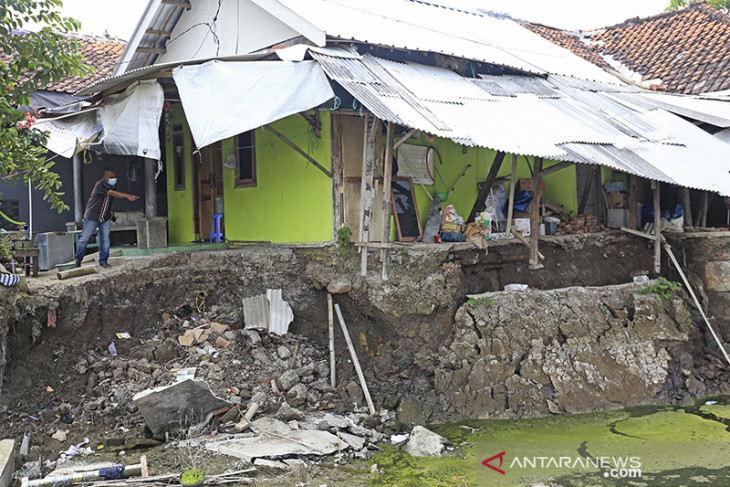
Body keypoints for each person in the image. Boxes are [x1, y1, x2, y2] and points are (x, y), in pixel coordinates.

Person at [75, 167, 139, 268]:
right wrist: (127, 196)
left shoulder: (113, 185)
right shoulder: (100, 184)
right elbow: (111, 193)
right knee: (84, 239)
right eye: (111, 177)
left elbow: (110, 199)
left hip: (105, 218)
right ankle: (78, 260)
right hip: (92, 216)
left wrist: (112, 212)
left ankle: (103, 261)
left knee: (105, 239)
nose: (114, 179)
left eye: (115, 177)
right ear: (105, 177)